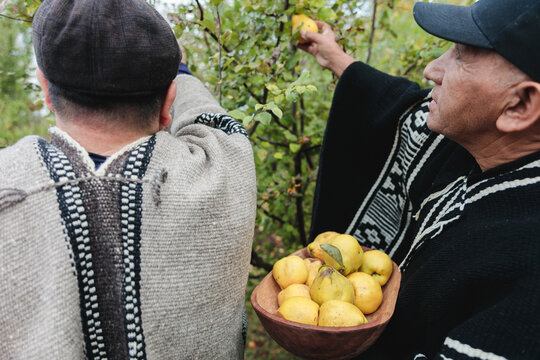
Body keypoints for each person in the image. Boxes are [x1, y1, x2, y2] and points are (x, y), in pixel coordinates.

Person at [0, 0, 256, 359]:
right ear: (169, 101)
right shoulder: (225, 171)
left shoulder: (10, 187)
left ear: (45, 89)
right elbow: (214, 122)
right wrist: (180, 71)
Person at [299, 0, 540, 359]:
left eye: (462, 55)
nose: (431, 70)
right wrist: (333, 55)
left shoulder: (527, 281)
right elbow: (398, 105)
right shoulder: (476, 145)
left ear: (520, 106)